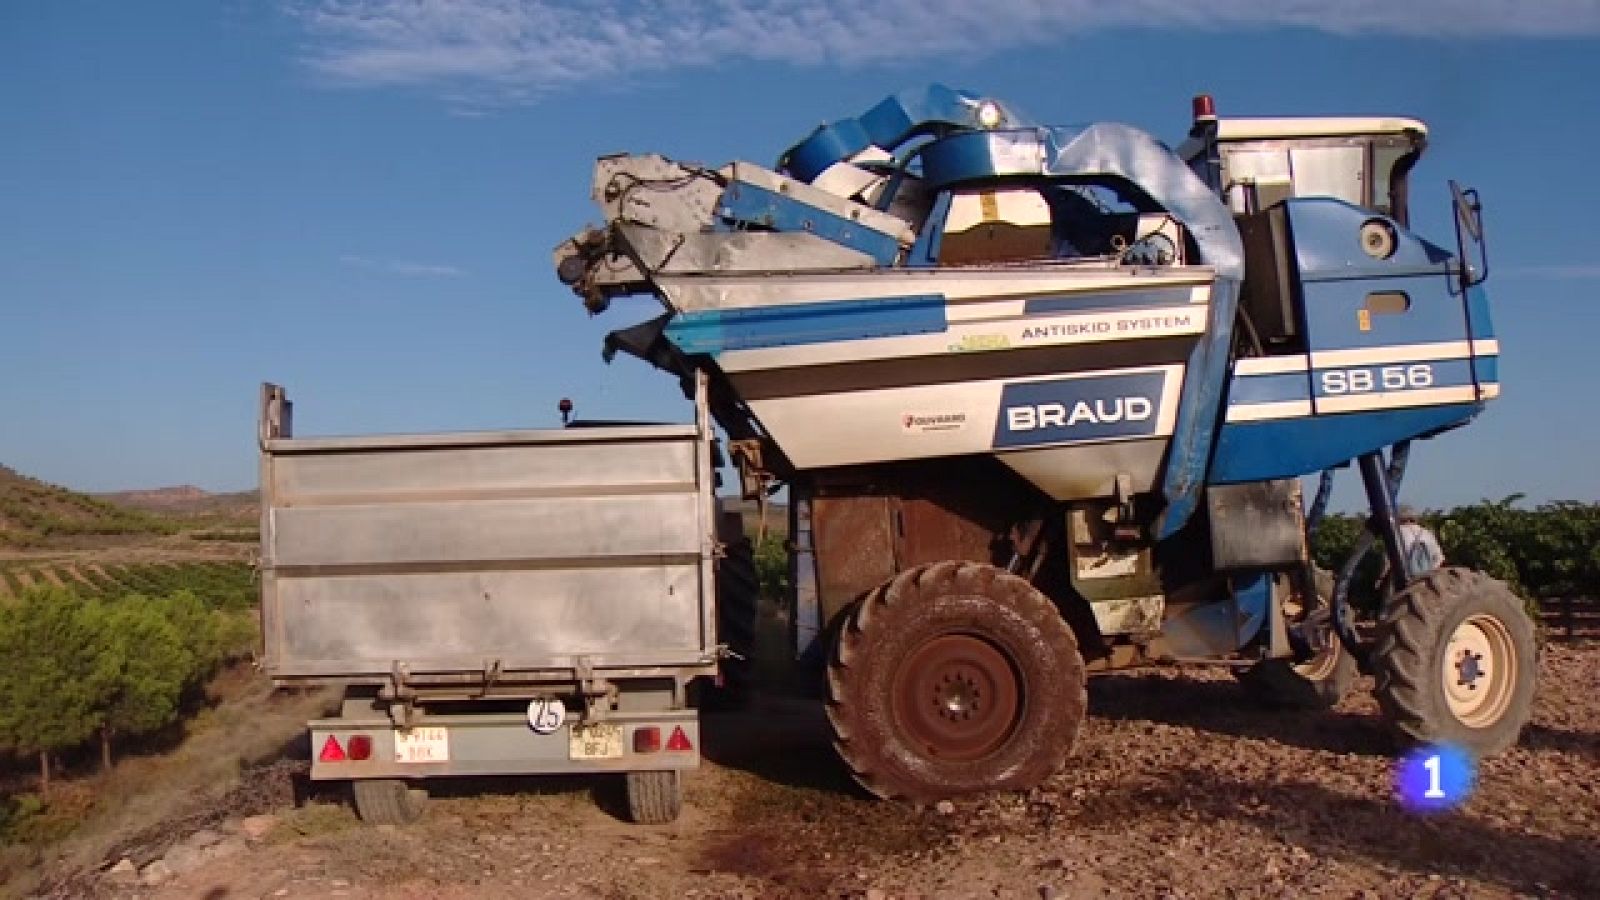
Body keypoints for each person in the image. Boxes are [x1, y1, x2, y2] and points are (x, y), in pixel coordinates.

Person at [1396, 504, 1444, 578]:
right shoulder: (1427, 532)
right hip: (1426, 577)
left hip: (1407, 577)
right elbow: (1440, 558)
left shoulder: (1398, 532)